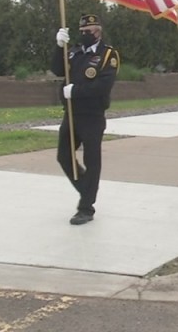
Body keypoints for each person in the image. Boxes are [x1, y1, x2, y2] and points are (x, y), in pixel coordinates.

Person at [51, 13, 119, 225]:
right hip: (71, 114)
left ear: (98, 31)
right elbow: (57, 69)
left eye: (88, 31)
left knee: (92, 160)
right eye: (81, 32)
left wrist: (76, 91)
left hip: (92, 115)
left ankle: (86, 208)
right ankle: (86, 189)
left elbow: (103, 86)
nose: (84, 35)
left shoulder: (108, 55)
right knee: (63, 156)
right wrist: (59, 47)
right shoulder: (74, 52)